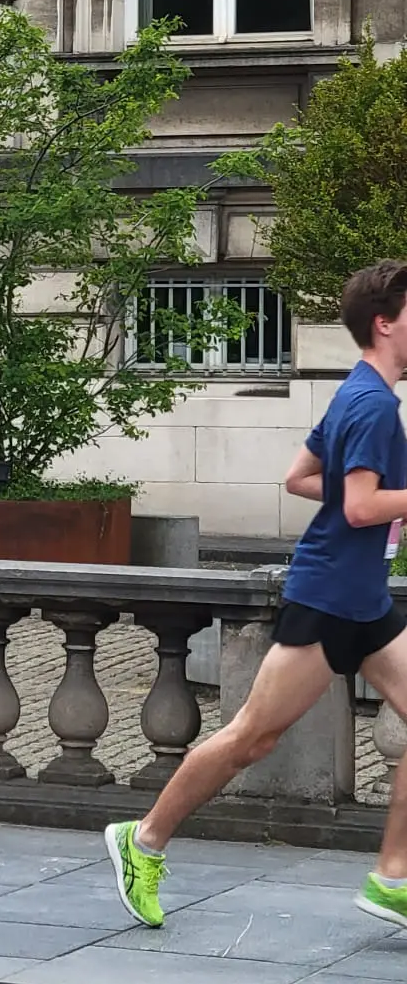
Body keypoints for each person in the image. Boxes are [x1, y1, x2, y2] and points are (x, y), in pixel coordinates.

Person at [107, 259, 407, 930]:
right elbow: (360, 507)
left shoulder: (357, 393)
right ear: (385, 323)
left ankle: (393, 877)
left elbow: (300, 478)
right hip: (330, 599)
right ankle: (144, 838)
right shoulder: (375, 406)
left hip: (363, 599)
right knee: (250, 738)